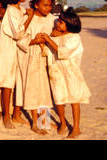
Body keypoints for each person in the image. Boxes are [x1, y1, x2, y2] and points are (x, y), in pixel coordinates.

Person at [38, 7, 91, 138]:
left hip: (71, 72)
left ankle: (76, 127)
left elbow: (63, 52)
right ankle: (63, 123)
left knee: (74, 98)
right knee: (59, 98)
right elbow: (49, 53)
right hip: (56, 71)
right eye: (58, 21)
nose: (57, 23)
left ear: (69, 25)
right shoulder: (55, 36)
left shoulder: (74, 38)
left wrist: (48, 39)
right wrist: (43, 43)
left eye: (61, 22)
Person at [0, 0, 34, 129]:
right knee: (7, 84)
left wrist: (27, 12)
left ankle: (16, 115)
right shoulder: (10, 11)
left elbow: (23, 13)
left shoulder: (18, 10)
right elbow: (18, 33)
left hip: (14, 51)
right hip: (5, 52)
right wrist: (30, 17)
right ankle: (6, 117)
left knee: (16, 82)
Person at [17, 0, 56, 135]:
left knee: (45, 89)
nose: (48, 8)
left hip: (47, 56)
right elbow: (20, 39)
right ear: (36, 5)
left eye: (50, 5)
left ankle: (43, 120)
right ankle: (35, 121)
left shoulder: (52, 20)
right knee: (33, 88)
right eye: (45, 5)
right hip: (32, 56)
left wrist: (47, 40)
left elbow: (57, 36)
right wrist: (35, 41)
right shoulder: (29, 19)